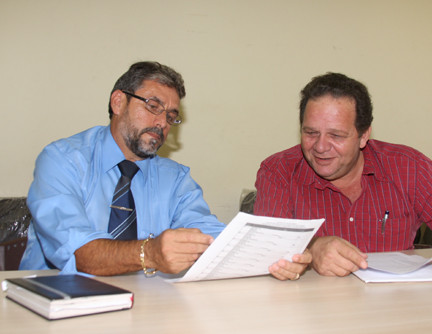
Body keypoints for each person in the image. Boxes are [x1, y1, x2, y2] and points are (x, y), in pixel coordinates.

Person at [20, 61, 308, 280]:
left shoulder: (176, 178)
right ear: (118, 101)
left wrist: (277, 255)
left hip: (147, 303)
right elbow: (79, 254)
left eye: (171, 116)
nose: (162, 123)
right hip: (55, 300)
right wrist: (149, 253)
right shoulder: (62, 160)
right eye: (153, 106)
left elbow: (211, 238)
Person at [254, 72, 432, 277]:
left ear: (364, 135)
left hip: (396, 308)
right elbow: (267, 249)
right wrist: (313, 249)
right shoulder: (279, 171)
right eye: (311, 132)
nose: (321, 146)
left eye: (336, 135)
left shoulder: (409, 167)